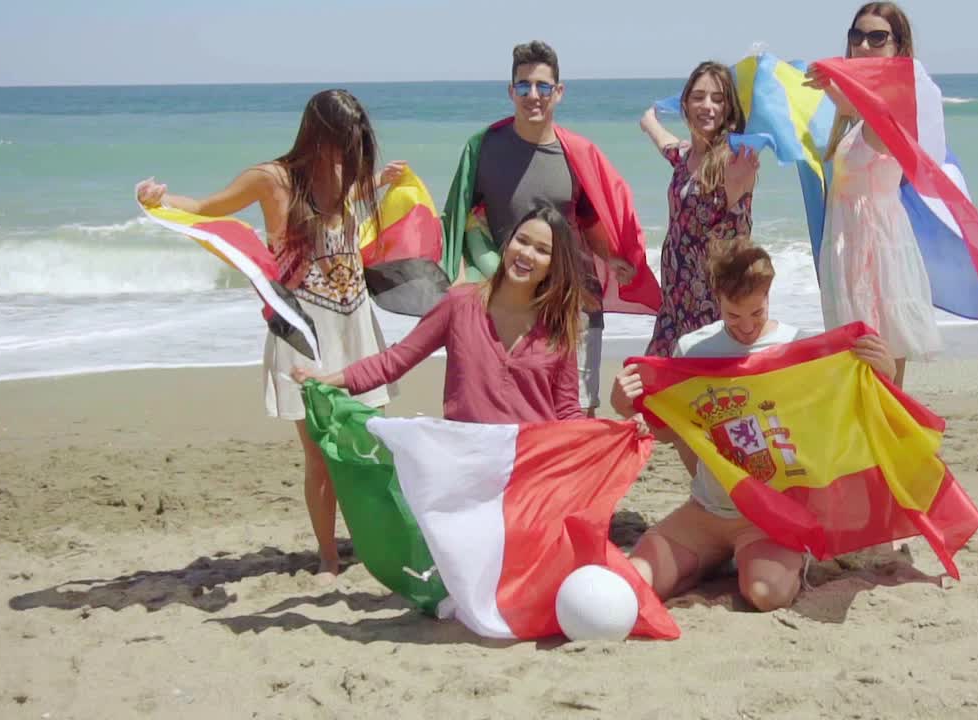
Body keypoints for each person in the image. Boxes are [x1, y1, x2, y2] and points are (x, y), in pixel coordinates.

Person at [136, 89, 405, 577]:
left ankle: (369, 540)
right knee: (321, 456)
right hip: (303, 332)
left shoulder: (350, 175)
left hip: (356, 326)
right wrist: (159, 200)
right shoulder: (272, 179)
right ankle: (328, 557)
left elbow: (356, 229)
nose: (352, 151)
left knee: (369, 444)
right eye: (345, 140)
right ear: (318, 133)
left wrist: (381, 185)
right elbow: (206, 206)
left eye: (358, 141)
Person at [611, 239, 895, 611]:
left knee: (765, 596)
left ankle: (791, 555)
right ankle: (706, 564)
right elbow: (671, 432)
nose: (746, 327)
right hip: (708, 510)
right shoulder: (694, 350)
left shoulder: (797, 348)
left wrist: (884, 377)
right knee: (634, 584)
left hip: (771, 516)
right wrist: (622, 405)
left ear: (769, 293)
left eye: (756, 313)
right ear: (717, 298)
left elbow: (843, 421)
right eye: (733, 316)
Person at [441, 40, 659, 418]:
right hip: (508, 301)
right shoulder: (484, 147)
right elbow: (461, 219)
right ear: (511, 91)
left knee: (576, 411)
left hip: (573, 301)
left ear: (559, 92)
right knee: (511, 409)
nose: (533, 96)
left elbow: (591, 217)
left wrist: (610, 257)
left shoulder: (577, 153)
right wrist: (463, 281)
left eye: (543, 86)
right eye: (523, 86)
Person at [293, 202, 585, 424]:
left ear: (554, 265)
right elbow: (395, 360)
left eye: (542, 250)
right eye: (522, 241)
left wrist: (617, 433)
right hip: (465, 459)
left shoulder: (558, 327)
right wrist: (327, 380)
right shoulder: (458, 305)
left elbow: (567, 410)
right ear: (507, 243)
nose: (526, 254)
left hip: (532, 467)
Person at [805, 1, 942, 387]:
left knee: (881, 371)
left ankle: (896, 443)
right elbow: (856, 107)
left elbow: (878, 112)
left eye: (877, 38)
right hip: (850, 249)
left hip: (875, 252)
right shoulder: (852, 117)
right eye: (857, 36)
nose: (864, 45)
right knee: (863, 374)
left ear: (898, 47)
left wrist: (834, 82)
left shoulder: (895, 106)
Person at [639, 61, 759, 357]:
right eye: (699, 97)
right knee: (656, 390)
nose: (708, 106)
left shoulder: (734, 160)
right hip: (675, 299)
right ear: (685, 104)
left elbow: (737, 234)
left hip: (712, 302)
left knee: (703, 392)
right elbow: (665, 143)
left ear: (728, 109)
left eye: (718, 99)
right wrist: (649, 121)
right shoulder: (684, 157)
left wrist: (735, 188)